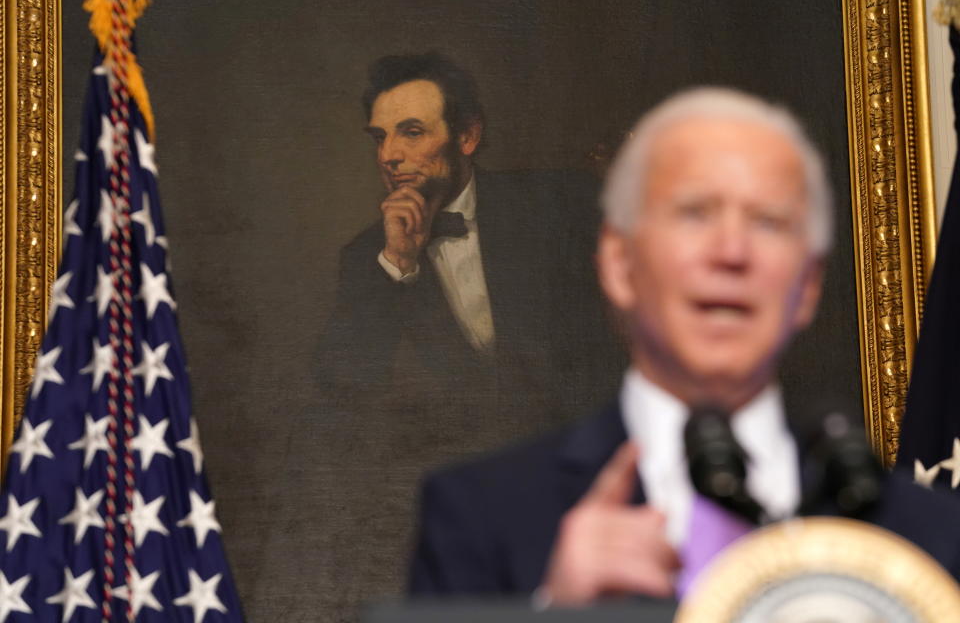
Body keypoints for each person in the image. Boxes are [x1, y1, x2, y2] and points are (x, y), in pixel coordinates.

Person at [408, 87, 960, 601]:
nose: (731, 251)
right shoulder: (478, 515)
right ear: (620, 264)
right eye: (695, 213)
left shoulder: (930, 539)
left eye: (768, 221)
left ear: (809, 284)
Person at [319, 52, 623, 431]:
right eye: (380, 137)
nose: (388, 156)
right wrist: (399, 264)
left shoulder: (559, 201)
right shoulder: (369, 257)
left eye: (412, 132)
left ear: (467, 136)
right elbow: (343, 392)